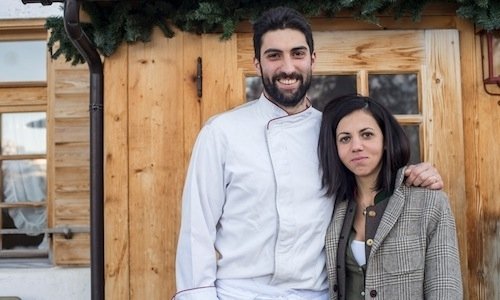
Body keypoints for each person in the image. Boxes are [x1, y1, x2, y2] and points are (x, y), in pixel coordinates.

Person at [174, 7, 443, 300]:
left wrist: (414, 174)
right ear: (257, 63)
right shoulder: (222, 132)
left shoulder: (331, 132)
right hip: (238, 293)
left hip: (316, 294)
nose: (287, 67)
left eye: (297, 54)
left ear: (312, 60)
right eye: (274, 55)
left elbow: (371, 179)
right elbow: (196, 231)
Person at [318, 94, 462, 300]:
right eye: (345, 138)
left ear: (386, 140)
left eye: (367, 135)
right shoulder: (332, 208)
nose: (356, 146)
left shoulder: (429, 204)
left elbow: (445, 289)